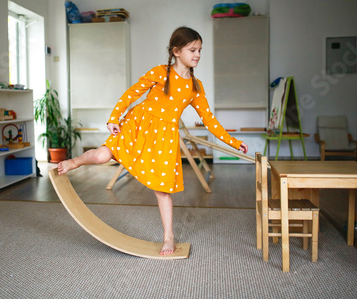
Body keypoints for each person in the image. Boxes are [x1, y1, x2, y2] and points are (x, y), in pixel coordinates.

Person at [58, 26, 248, 255]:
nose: (197, 54)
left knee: (162, 189)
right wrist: (114, 117)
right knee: (101, 156)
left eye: (199, 50)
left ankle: (169, 237)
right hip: (138, 125)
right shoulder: (161, 72)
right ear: (177, 51)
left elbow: (209, 120)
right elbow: (131, 94)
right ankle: (74, 162)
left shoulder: (195, 88)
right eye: (192, 49)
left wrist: (233, 142)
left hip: (164, 138)